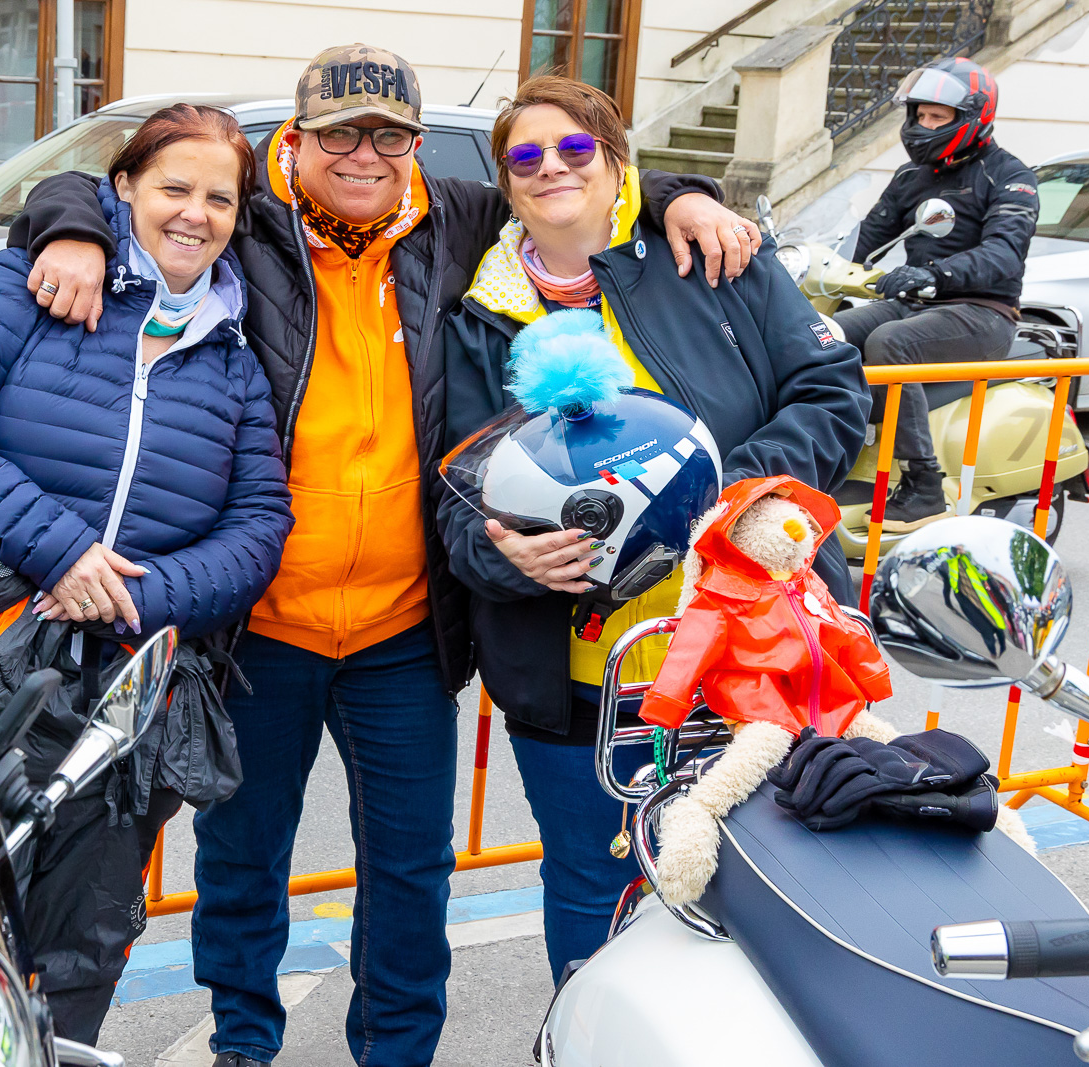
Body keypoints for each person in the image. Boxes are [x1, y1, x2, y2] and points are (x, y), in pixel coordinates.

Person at [5, 44, 760, 1067]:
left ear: (415, 144)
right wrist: (68, 229)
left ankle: (396, 1051)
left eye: (390, 136)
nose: (365, 155)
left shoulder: (455, 219)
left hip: (402, 629)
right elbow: (103, 188)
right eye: (340, 134)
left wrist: (684, 195)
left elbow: (580, 183)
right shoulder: (243, 222)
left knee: (410, 871)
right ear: (297, 138)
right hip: (260, 625)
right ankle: (243, 1042)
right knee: (241, 860)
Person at [437, 75, 870, 984]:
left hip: (755, 653)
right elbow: (458, 500)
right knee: (593, 884)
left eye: (575, 148)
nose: (552, 168)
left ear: (616, 161)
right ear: (505, 183)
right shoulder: (478, 315)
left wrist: (734, 496)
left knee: (777, 881)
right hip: (581, 681)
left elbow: (831, 391)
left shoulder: (711, 256)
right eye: (525, 156)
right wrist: (508, 555)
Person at [0, 103, 294, 1043]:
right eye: (173, 188)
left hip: (126, 689)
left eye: (219, 199)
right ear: (123, 188)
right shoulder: (32, 281)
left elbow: (258, 527)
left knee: (82, 944)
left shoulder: (235, 357)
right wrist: (60, 552)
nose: (195, 214)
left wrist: (132, 597)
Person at [835, 58, 1039, 531]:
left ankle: (924, 486)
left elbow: (1004, 253)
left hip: (982, 311)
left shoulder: (1010, 176)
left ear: (972, 118)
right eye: (920, 115)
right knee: (822, 335)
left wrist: (933, 274)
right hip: (916, 302)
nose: (924, 125)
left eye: (937, 117)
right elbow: (867, 236)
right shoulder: (912, 175)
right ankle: (827, 457)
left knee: (890, 342)